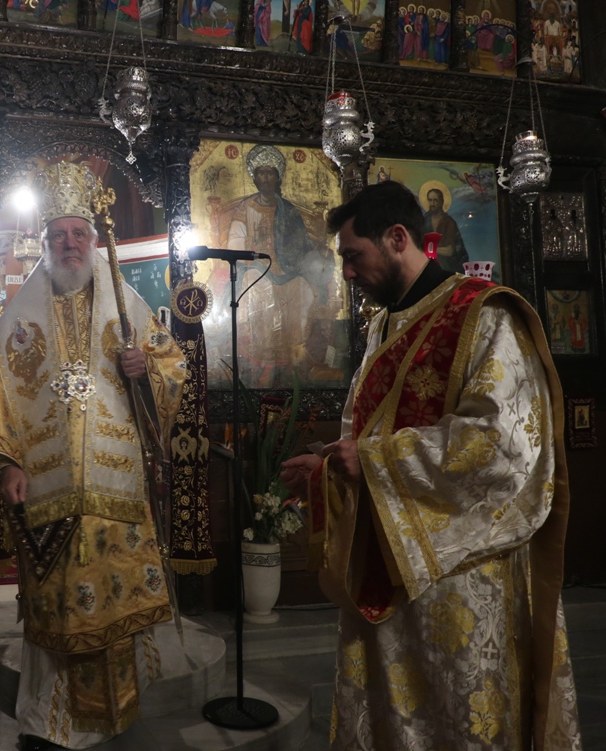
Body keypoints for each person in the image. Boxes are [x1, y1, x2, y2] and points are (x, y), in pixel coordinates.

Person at [281, 181, 582, 750]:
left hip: (463, 573)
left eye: (353, 256)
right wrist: (328, 462)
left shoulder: (485, 314)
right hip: (388, 558)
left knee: (461, 717)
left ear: (398, 238)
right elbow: (368, 432)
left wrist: (371, 460)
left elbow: (502, 442)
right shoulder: (383, 324)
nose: (347, 272)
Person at [0, 162, 186, 751]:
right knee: (57, 606)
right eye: (58, 235)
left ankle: (114, 716)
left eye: (79, 235)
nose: (69, 244)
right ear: (44, 243)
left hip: (116, 486)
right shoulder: (18, 318)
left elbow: (172, 368)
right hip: (47, 486)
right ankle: (48, 721)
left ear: (93, 242)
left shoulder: (126, 305)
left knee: (110, 601)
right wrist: (9, 463)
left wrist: (145, 370)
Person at [209, 144, 336, 385]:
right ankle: (261, 359)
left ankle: (294, 356)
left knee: (302, 288)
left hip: (286, 268)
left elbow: (301, 245)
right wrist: (253, 245)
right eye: (261, 173)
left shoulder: (287, 210)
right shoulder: (245, 209)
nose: (266, 178)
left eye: (270, 173)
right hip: (255, 265)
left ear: (278, 177)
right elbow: (235, 244)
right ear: (254, 177)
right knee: (256, 286)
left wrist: (317, 251)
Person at [423, 186, 469, 273]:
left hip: (448, 266)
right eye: (430, 200)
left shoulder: (449, 222)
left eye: (435, 200)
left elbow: (449, 251)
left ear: (441, 202)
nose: (432, 204)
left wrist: (429, 249)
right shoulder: (425, 220)